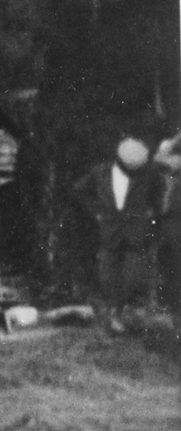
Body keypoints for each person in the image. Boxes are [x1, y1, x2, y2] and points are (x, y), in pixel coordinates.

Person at [71, 133, 164, 332]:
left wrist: (150, 217)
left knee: (132, 277)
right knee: (107, 275)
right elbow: (79, 191)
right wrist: (96, 212)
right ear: (120, 160)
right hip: (109, 231)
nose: (133, 171)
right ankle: (113, 314)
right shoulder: (100, 173)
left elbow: (158, 198)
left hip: (136, 233)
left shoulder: (149, 175)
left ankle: (116, 312)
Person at [154, 132, 181, 312]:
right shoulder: (171, 157)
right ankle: (168, 301)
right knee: (170, 259)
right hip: (170, 216)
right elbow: (160, 158)